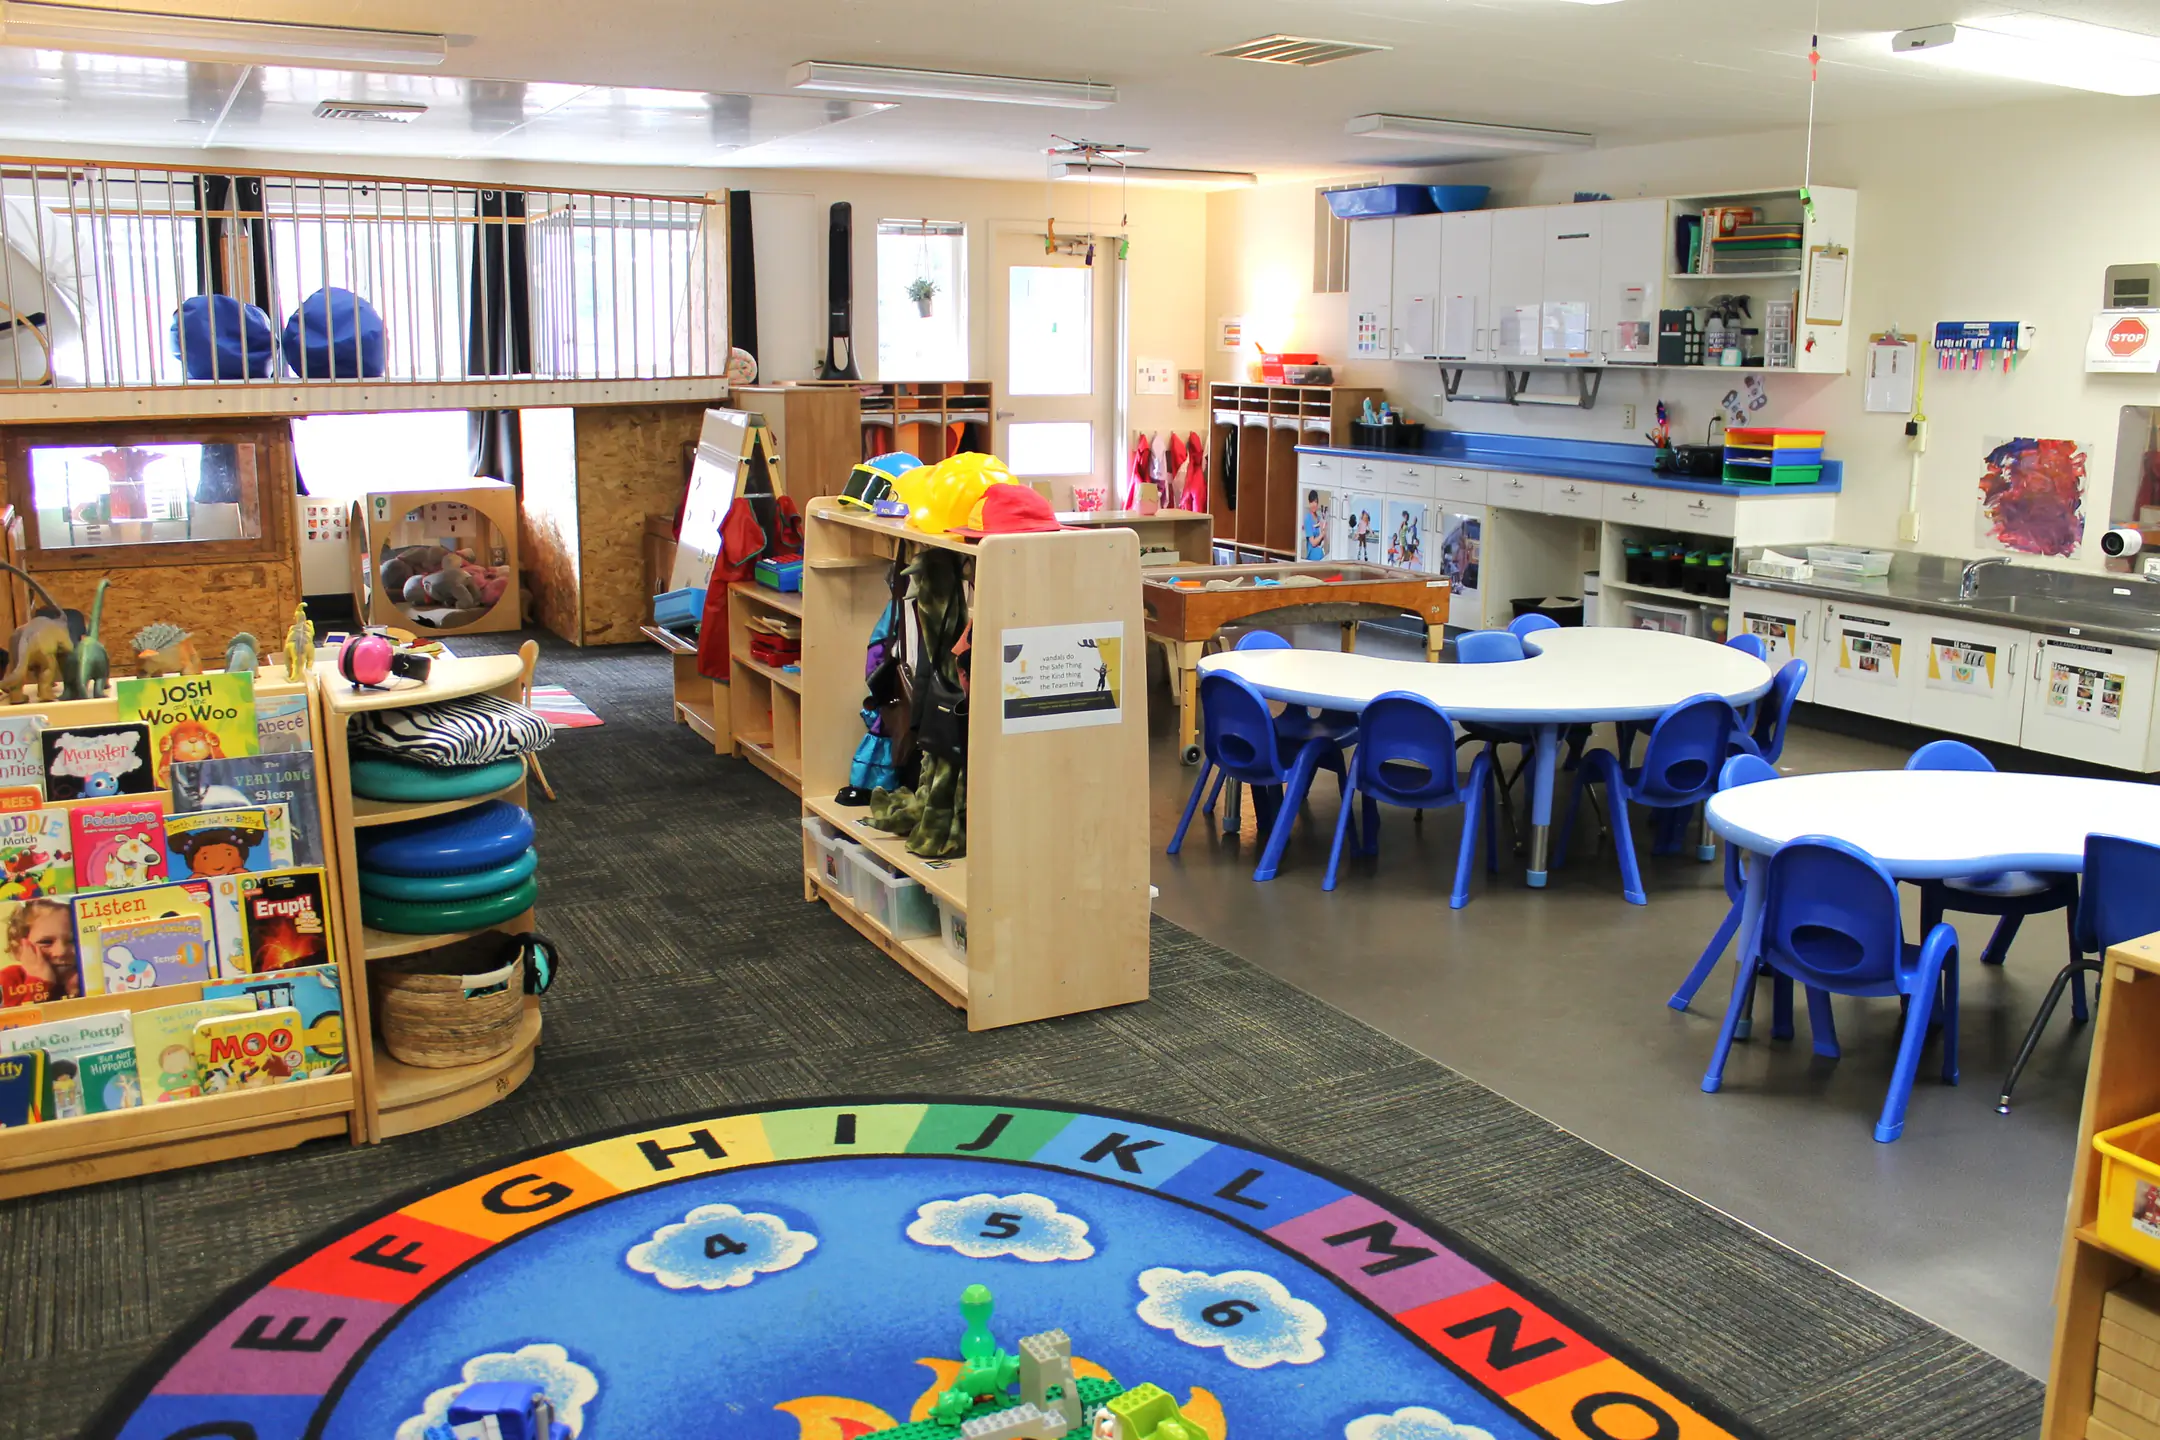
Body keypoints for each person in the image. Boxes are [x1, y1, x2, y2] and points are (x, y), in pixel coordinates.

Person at [4, 896, 79, 1002]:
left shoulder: (88, 976)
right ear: (18, 948)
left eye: (72, 940)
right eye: (46, 942)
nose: (61, 952)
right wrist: (40, 983)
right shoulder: (9, 980)